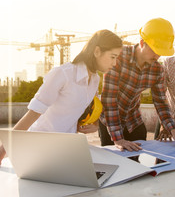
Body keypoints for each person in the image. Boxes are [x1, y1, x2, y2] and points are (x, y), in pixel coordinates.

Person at [0, 29, 123, 165]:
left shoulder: (94, 79)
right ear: (97, 51)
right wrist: (2, 150)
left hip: (66, 149)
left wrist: (94, 125)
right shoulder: (63, 74)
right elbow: (33, 114)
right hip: (40, 148)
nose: (115, 63)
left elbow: (89, 109)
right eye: (113, 57)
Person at [99, 18, 175, 152]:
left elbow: (161, 103)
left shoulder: (157, 70)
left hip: (134, 123)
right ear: (142, 43)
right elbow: (109, 100)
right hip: (109, 124)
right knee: (115, 164)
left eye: (161, 51)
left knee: (138, 166)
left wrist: (173, 130)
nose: (157, 55)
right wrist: (117, 138)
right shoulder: (118, 57)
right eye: (154, 50)